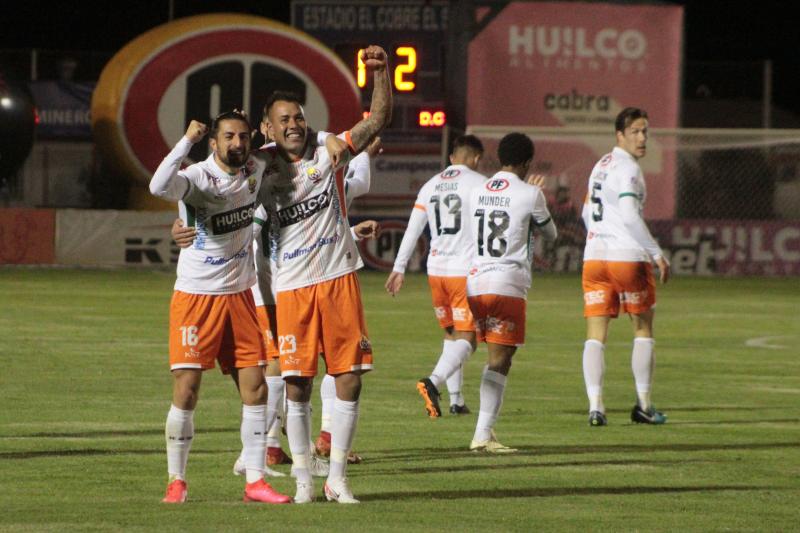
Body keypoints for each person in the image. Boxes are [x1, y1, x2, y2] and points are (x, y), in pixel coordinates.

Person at [258, 44, 391, 504]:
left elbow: (375, 122)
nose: (293, 124)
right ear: (267, 128)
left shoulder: (328, 150)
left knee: (350, 376)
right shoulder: (260, 170)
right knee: (297, 384)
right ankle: (301, 480)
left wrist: (380, 73)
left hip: (338, 281)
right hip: (291, 288)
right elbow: (213, 176)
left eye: (298, 117)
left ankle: (337, 478)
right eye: (283, 119)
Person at [150, 111, 297, 504]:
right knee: (187, 389)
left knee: (256, 387)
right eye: (229, 137)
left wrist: (272, 127)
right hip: (196, 296)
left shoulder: (255, 164)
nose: (237, 143)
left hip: (241, 296)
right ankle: (176, 480)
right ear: (212, 142)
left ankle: (255, 481)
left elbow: (290, 142)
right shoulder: (197, 175)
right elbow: (159, 184)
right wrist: (185, 141)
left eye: (243, 137)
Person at [465, 133, 557, 453]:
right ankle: (482, 434)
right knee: (500, 359)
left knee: (499, 357)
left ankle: (483, 432)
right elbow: (552, 232)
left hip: (475, 284)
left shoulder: (477, 191)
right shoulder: (531, 193)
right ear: (527, 162)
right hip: (506, 284)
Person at [580, 107, 670, 427]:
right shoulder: (629, 168)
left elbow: (585, 213)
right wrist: (656, 252)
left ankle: (596, 408)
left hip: (594, 258)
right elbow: (631, 215)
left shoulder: (600, 165)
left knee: (595, 335)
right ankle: (644, 406)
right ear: (620, 136)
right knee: (642, 329)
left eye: (645, 131)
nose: (642, 138)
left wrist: (601, 234)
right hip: (626, 257)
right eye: (635, 131)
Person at [384, 135, 487, 417]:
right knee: (468, 339)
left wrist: (399, 267)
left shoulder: (430, 185)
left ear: (452, 157)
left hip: (436, 271)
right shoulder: (479, 184)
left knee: (452, 335)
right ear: (476, 159)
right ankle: (433, 382)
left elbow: (413, 228)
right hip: (462, 272)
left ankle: (456, 400)